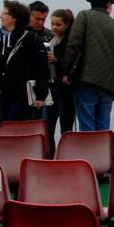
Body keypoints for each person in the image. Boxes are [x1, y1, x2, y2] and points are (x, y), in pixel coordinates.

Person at [61, 0, 114, 132]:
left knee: (87, 126)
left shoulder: (84, 16)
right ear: (108, 5)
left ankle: (90, 154)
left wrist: (65, 72)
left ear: (92, 3)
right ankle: (103, 153)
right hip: (108, 86)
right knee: (103, 127)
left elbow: (73, 45)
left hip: (85, 81)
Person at [0, 0, 49, 123]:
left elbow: (42, 69)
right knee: (5, 127)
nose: (0, 16)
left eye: (5, 13)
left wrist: (41, 95)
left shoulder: (31, 40)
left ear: (14, 18)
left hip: (23, 95)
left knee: (18, 128)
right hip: (3, 94)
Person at [43, 8, 76, 153]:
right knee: (47, 128)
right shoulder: (50, 39)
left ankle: (66, 157)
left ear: (67, 24)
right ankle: (50, 157)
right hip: (51, 89)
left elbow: (73, 64)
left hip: (65, 90)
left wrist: (57, 61)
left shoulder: (70, 42)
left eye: (58, 25)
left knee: (66, 128)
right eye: (53, 24)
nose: (54, 28)